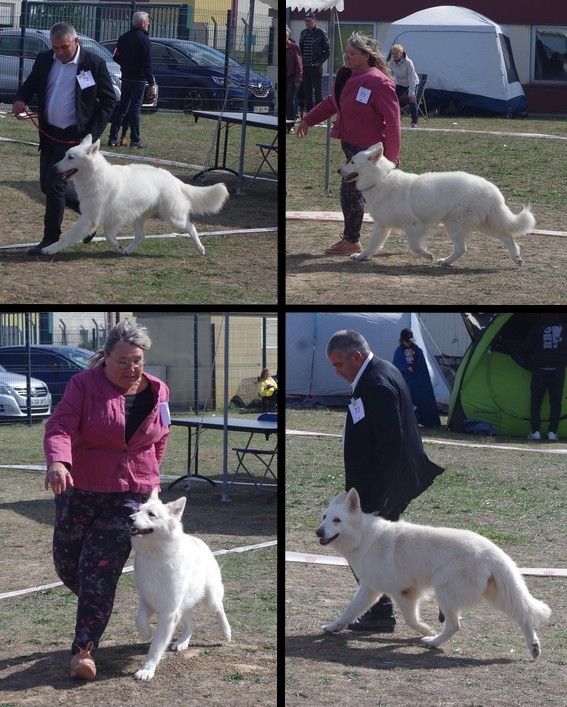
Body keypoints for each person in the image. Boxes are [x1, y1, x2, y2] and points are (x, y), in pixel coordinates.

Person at [43, 319, 170, 679]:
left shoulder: (159, 391)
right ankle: (97, 598)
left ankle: (84, 649)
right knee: (69, 564)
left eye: (138, 361)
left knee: (99, 570)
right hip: (79, 489)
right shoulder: (82, 385)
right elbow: (60, 426)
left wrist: (151, 478)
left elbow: (161, 435)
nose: (132, 369)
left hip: (129, 496)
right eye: (123, 362)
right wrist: (58, 461)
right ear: (105, 358)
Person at [326, 330, 444, 631]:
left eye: (339, 364)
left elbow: (392, 446)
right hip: (381, 483)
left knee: (364, 551)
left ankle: (382, 613)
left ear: (355, 356)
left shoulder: (376, 384)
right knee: (387, 551)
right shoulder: (377, 372)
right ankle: (395, 607)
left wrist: (379, 500)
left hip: (384, 486)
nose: (337, 372)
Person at [12, 22, 116, 255]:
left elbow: (109, 101)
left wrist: (90, 138)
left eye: (64, 47)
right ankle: (92, 217)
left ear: (75, 42)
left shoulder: (93, 64)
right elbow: (30, 85)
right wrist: (21, 99)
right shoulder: (45, 59)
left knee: (54, 182)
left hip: (74, 138)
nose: (59, 53)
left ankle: (50, 240)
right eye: (55, 47)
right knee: (47, 186)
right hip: (49, 132)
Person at [296, 33, 401, 256]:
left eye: (352, 53)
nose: (347, 56)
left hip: (369, 153)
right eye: (346, 52)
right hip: (351, 147)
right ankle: (355, 238)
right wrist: (308, 119)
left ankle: (352, 241)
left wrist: (391, 157)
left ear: (366, 55)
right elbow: (331, 103)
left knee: (351, 194)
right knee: (359, 194)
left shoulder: (378, 82)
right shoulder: (346, 76)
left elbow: (393, 121)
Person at [107, 11, 156, 149]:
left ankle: (112, 138)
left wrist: (125, 65)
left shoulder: (123, 38)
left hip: (126, 78)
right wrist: (151, 82)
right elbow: (147, 64)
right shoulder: (144, 40)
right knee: (135, 109)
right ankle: (135, 140)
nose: (148, 24)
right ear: (142, 23)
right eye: (147, 22)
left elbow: (115, 57)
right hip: (139, 80)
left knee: (122, 108)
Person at [521, 315, 567, 441]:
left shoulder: (538, 327)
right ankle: (552, 432)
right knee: (556, 403)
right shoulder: (564, 328)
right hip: (558, 371)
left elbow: (527, 347)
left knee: (536, 402)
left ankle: (535, 432)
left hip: (540, 371)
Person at [393, 328, 441, 427]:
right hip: (405, 380)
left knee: (422, 400)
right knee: (406, 400)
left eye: (410, 341)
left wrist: (415, 367)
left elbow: (421, 365)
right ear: (402, 340)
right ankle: (406, 422)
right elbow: (396, 365)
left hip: (418, 380)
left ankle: (427, 421)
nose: (409, 343)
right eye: (407, 341)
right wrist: (406, 368)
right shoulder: (399, 351)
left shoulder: (417, 350)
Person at [298, 11, 330, 112]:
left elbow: (327, 51)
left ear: (314, 21)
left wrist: (318, 63)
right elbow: (300, 49)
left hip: (315, 67)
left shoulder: (321, 33)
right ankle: (309, 113)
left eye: (309, 20)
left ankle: (319, 113)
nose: (307, 23)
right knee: (307, 91)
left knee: (317, 90)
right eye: (306, 21)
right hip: (305, 67)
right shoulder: (303, 32)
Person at [389, 43, 420, 128]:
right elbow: (390, 76)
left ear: (401, 54)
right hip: (400, 84)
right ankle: (395, 119)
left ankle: (414, 121)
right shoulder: (391, 63)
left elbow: (412, 78)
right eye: (393, 53)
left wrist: (411, 93)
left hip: (412, 83)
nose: (394, 55)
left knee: (412, 100)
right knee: (392, 99)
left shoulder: (408, 63)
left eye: (396, 53)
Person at [286, 25, 303, 132]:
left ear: (288, 34)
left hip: (293, 77)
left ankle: (291, 124)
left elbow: (299, 64)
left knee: (289, 98)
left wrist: (298, 79)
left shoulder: (294, 47)